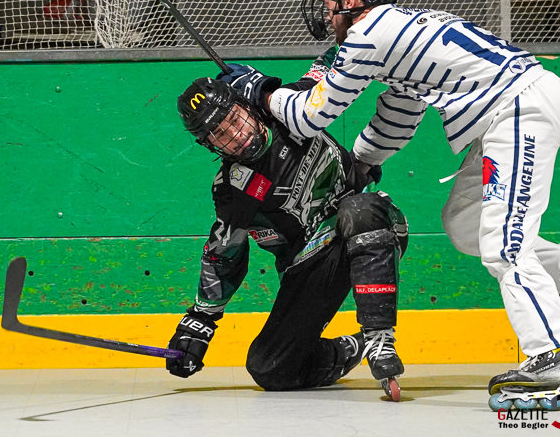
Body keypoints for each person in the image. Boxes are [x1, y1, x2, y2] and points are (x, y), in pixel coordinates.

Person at [220, 0, 560, 405]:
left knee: (504, 243)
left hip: (519, 110)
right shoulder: (396, 32)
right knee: (465, 223)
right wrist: (360, 163)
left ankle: (551, 356)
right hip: (514, 111)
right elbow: (400, 115)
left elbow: (310, 115)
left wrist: (260, 89)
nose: (325, 3)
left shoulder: (367, 35)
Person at [167, 77, 409, 400]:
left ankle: (380, 338)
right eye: (221, 135)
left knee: (358, 209)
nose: (236, 136)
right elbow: (224, 256)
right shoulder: (233, 190)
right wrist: (201, 320)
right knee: (269, 367)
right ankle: (355, 347)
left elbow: (339, 63)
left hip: (373, 225)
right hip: (314, 263)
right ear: (209, 146)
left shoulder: (290, 107)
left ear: (246, 106)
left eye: (235, 120)